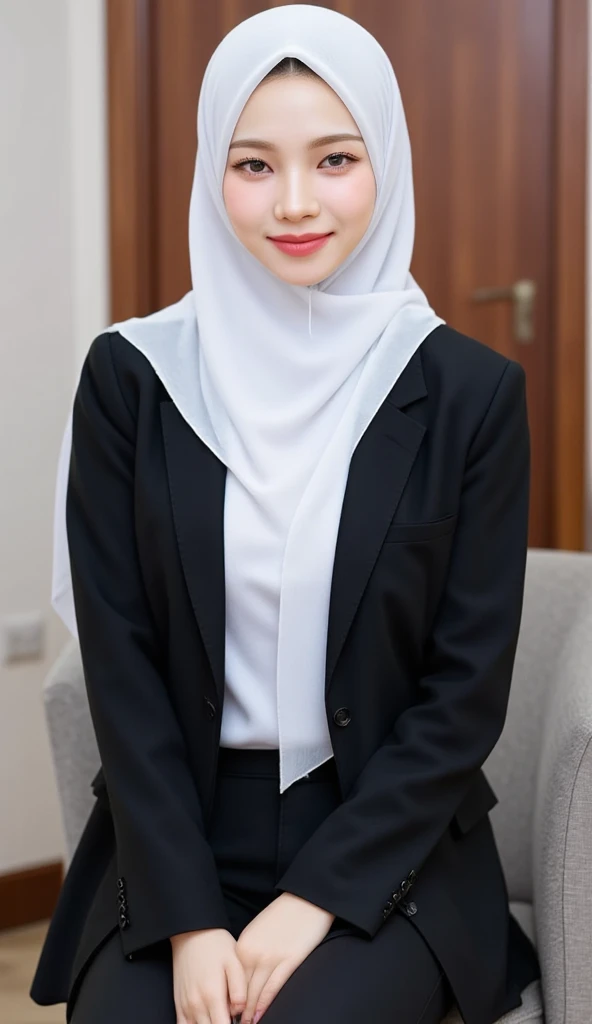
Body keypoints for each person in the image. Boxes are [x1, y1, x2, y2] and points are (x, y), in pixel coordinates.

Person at [30, 6, 541, 1024]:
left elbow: (461, 695)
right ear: (210, 174)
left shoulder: (468, 394)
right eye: (253, 164)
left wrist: (314, 898)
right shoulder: (134, 379)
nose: (294, 202)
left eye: (335, 158)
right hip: (177, 835)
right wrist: (186, 918)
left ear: (384, 162)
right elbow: (120, 667)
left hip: (383, 837)